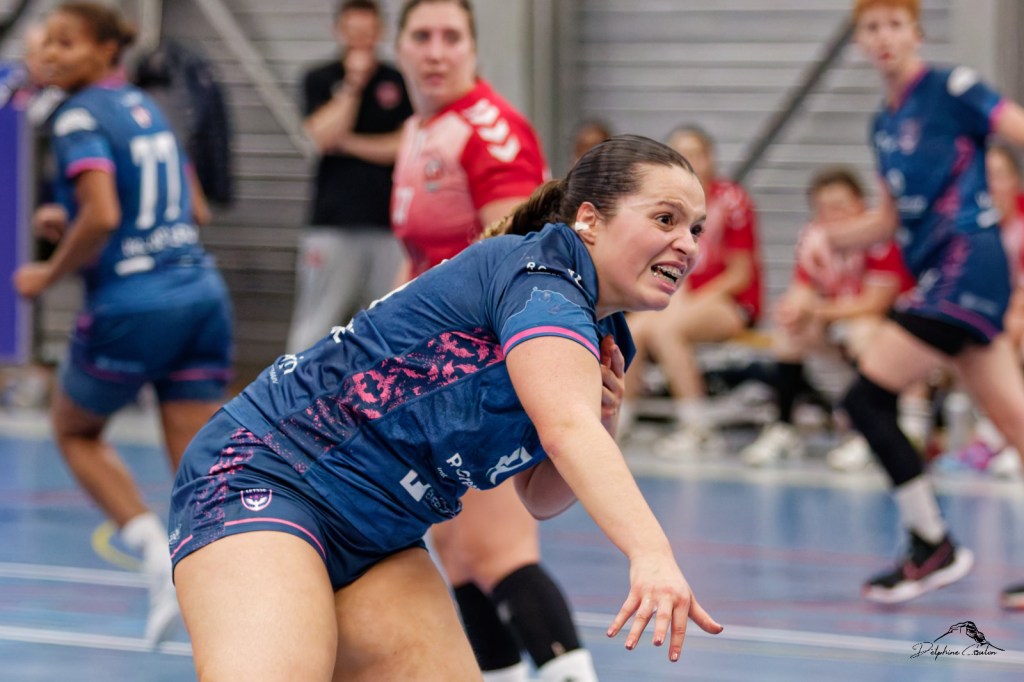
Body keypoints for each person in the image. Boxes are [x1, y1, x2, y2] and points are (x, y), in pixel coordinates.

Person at [168, 134, 724, 680]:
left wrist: (604, 416)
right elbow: (566, 431)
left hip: (381, 533)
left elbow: (540, 496)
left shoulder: (605, 336)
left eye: (696, 229)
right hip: (269, 474)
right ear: (590, 220)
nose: (688, 244)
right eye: (665, 219)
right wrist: (651, 553)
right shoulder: (543, 281)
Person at [11, 2, 234, 643]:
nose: (53, 54)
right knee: (197, 466)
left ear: (107, 50)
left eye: (68, 42)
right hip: (201, 294)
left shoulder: (77, 115)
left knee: (74, 429)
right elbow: (193, 210)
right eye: (49, 42)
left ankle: (154, 556)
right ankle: (220, 595)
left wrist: (48, 272)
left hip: (134, 304)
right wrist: (73, 217)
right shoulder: (146, 106)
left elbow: (105, 215)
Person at [389, 2, 596, 679]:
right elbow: (419, 261)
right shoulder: (419, 130)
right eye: (421, 36)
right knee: (458, 555)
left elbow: (518, 260)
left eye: (451, 37)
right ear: (400, 48)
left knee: (500, 552)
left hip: (483, 366)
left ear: (474, 49)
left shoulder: (490, 132)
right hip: (431, 372)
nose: (435, 51)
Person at [799, 0, 1024, 605]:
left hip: (968, 264)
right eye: (871, 27)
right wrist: (828, 236)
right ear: (860, 40)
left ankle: (931, 543)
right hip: (939, 273)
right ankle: (932, 545)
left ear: (916, 33)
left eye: (895, 24)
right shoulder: (884, 124)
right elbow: (887, 220)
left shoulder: (953, 89)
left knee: (865, 400)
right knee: (1015, 422)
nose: (884, 37)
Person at [740, 166, 917, 467]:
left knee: (864, 332)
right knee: (790, 334)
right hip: (839, 320)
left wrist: (817, 310)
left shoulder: (880, 236)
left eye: (841, 206)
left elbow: (875, 304)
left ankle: (870, 431)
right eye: (825, 209)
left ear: (861, 204)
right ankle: (784, 427)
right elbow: (802, 290)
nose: (834, 216)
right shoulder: (814, 238)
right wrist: (793, 308)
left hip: (894, 329)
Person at [622, 124, 762, 456]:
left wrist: (691, 301)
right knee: (631, 329)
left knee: (668, 331)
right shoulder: (663, 205)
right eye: (680, 154)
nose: (689, 161)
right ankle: (619, 419)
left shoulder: (731, 200)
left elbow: (740, 274)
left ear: (711, 158)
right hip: (681, 298)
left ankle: (697, 427)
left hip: (727, 302)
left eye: (696, 153)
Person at [285, 0, 413, 353]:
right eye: (353, 33)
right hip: (332, 223)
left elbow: (404, 146)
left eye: (367, 33)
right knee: (315, 325)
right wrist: (353, 84)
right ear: (338, 32)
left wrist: (348, 143)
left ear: (380, 32)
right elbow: (322, 136)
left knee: (392, 324)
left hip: (387, 224)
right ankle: (295, 387)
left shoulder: (398, 80)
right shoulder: (319, 78)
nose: (361, 41)